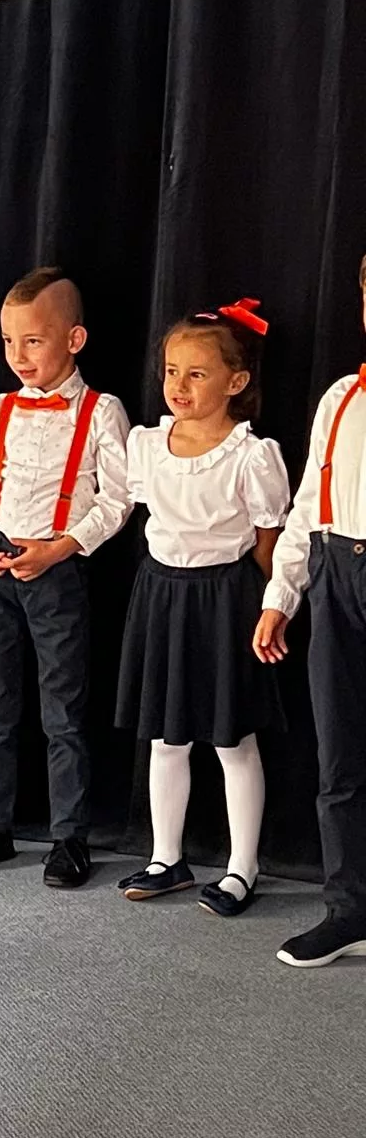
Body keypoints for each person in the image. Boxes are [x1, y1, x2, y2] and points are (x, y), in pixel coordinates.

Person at [0, 268, 132, 888]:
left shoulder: (101, 411)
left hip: (56, 571)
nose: (18, 355)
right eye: (8, 341)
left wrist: (61, 548)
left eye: (33, 340)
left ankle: (69, 837)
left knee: (63, 710)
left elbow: (118, 499)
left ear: (74, 340)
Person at [114, 300, 288, 915]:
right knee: (167, 736)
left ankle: (243, 868)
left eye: (196, 373)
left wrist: (261, 601)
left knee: (232, 740)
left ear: (235, 382)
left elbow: (269, 536)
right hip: (162, 594)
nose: (179, 386)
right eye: (171, 371)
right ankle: (167, 857)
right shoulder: (146, 444)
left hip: (226, 600)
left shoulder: (250, 454)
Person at [255, 253, 366, 968]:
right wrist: (281, 596)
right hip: (334, 572)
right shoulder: (340, 398)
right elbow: (305, 506)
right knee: (341, 756)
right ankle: (349, 908)